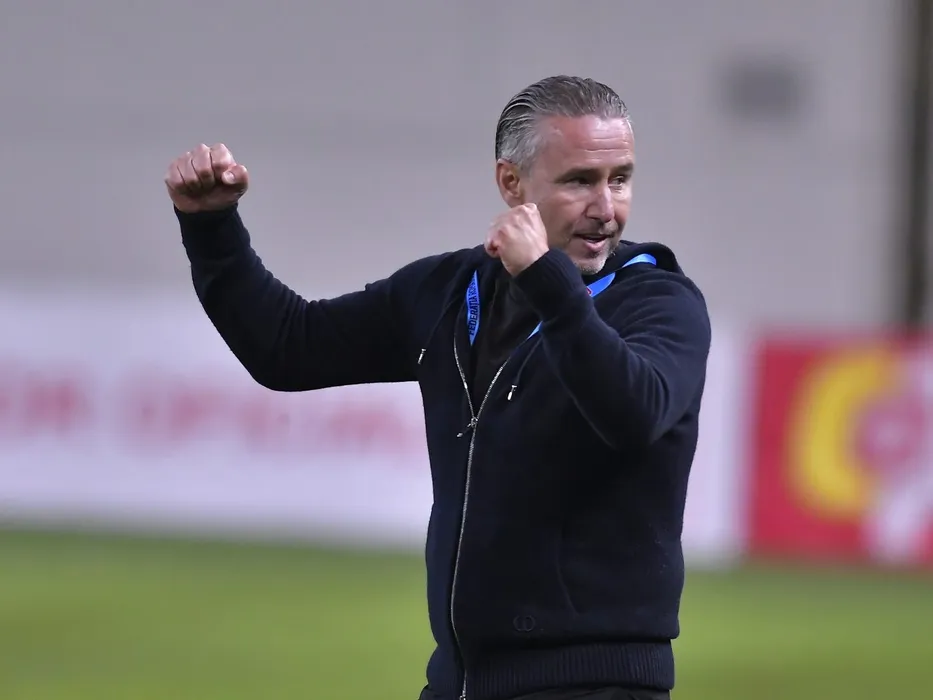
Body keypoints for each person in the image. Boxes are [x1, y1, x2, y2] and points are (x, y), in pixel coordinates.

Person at [164, 75, 711, 700]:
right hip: (460, 683)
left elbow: (633, 411)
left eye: (620, 179)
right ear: (511, 183)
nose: (606, 207)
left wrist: (546, 280)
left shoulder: (661, 303)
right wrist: (212, 229)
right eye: (580, 181)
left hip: (597, 685)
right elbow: (289, 347)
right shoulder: (450, 292)